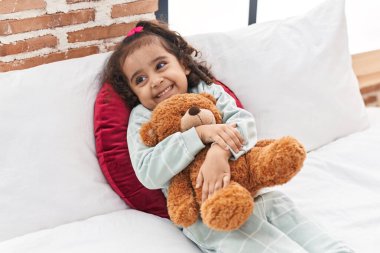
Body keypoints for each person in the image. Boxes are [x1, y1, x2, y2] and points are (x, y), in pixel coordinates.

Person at [101, 20, 354, 253]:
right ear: (133, 91)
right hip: (208, 214)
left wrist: (218, 152)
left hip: (254, 191)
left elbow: (244, 124)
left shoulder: (208, 89)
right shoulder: (143, 117)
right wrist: (198, 135)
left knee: (306, 230)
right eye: (140, 79)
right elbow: (148, 173)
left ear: (184, 64)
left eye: (160, 65)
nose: (155, 81)